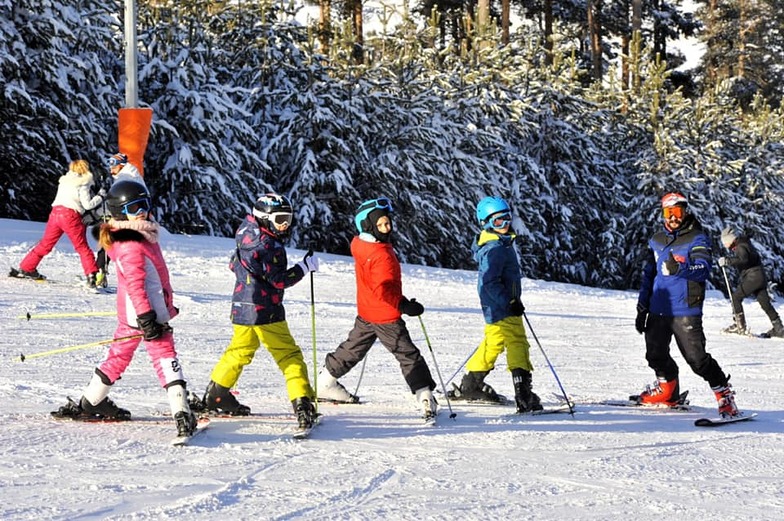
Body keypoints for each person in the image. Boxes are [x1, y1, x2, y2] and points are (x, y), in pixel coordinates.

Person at [52, 180, 198, 437]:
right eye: (134, 208)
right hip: (145, 314)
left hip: (133, 316)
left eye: (144, 205)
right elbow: (135, 285)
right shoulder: (132, 243)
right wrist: (147, 317)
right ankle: (182, 413)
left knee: (118, 356)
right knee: (165, 356)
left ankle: (92, 400)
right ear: (120, 211)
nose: (142, 212)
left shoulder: (139, 234)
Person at [201, 193, 320, 430]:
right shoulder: (270, 245)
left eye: (288, 218)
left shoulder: (245, 233)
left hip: (241, 308)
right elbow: (279, 280)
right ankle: (302, 402)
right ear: (265, 218)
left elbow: (234, 264)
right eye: (280, 219)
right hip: (266, 311)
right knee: (288, 355)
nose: (285, 224)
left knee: (240, 350)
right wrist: (303, 268)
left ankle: (218, 393)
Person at [316, 197, 438, 423]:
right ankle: (424, 395)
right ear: (368, 226)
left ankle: (325, 382)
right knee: (408, 354)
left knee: (353, 348)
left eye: (387, 223)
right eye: (380, 225)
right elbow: (384, 289)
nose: (387, 228)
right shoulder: (381, 255)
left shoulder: (360, 245)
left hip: (366, 311)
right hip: (385, 315)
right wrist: (404, 305)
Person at [635, 191, 741, 417]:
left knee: (697, 359)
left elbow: (703, 268)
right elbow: (648, 275)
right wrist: (642, 306)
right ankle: (667, 390)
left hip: (685, 309)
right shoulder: (656, 240)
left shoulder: (696, 238)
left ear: (685, 212)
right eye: (668, 212)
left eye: (678, 212)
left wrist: (680, 268)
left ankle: (725, 396)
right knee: (654, 355)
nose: (673, 217)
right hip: (658, 309)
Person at [449, 196, 542, 413]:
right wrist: (509, 302)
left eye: (507, 219)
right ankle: (524, 393)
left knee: (493, 343)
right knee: (517, 343)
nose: (505, 224)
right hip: (503, 307)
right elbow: (488, 282)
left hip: (496, 307)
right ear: (486, 223)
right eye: (498, 222)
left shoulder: (499, 244)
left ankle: (471, 384)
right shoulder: (495, 249)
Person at [10, 159, 105, 288]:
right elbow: (87, 205)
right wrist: (100, 196)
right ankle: (92, 276)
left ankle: (27, 267)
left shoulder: (64, 181)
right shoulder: (83, 183)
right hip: (71, 216)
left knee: (45, 243)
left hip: (55, 214)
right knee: (82, 247)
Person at [94, 153, 147, 288]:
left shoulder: (124, 178)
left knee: (108, 243)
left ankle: (100, 274)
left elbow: (118, 199)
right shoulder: (131, 174)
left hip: (125, 217)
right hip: (132, 216)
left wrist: (106, 210)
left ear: (121, 166)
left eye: (114, 167)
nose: (111, 170)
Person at [719, 227, 784, 338]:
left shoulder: (740, 246)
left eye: (724, 242)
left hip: (753, 277)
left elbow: (743, 259)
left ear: (729, 240)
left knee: (736, 297)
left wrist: (728, 261)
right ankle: (779, 328)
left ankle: (739, 325)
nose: (724, 245)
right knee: (765, 303)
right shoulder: (743, 243)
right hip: (760, 276)